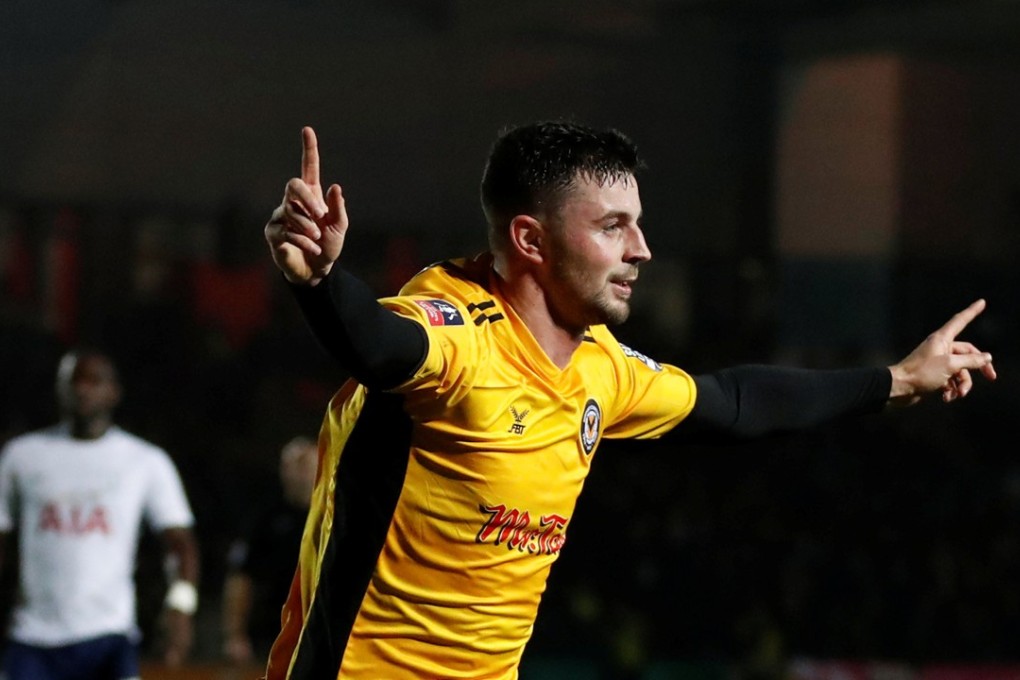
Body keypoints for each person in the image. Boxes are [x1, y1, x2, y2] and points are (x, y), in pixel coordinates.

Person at [260, 122, 997, 679]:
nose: (641, 249)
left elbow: (732, 403)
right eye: (613, 226)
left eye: (636, 224)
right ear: (531, 239)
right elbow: (381, 344)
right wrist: (321, 283)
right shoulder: (455, 330)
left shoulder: (600, 368)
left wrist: (897, 380)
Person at [0, 348, 200, 680]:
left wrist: (181, 607)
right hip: (32, 637)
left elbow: (180, 542)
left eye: (95, 380)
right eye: (73, 380)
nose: (83, 388)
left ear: (114, 391)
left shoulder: (145, 461)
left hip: (109, 636)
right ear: (59, 389)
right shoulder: (21, 456)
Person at [222, 435, 318, 667]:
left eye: (306, 465)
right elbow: (241, 578)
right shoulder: (264, 519)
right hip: (272, 629)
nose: (299, 473)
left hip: (321, 624)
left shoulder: (335, 515)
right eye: (293, 465)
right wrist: (235, 634)